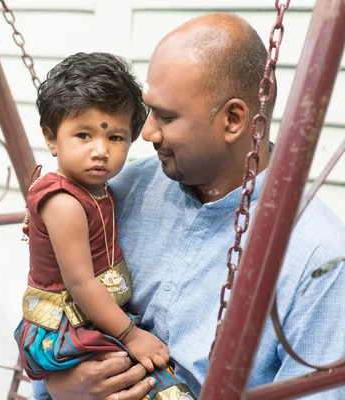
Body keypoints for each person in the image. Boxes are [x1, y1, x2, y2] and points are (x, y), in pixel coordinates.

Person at [32, 12, 345, 400]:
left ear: (233, 119)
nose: (145, 133)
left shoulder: (319, 262)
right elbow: (61, 316)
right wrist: (64, 387)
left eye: (166, 116)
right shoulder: (121, 192)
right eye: (148, 111)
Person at [14, 52, 197, 400]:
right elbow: (80, 282)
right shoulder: (64, 202)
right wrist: (131, 334)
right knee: (147, 381)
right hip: (67, 326)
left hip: (93, 316)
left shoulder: (99, 189)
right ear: (52, 140)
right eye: (84, 135)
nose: (100, 150)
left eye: (115, 138)